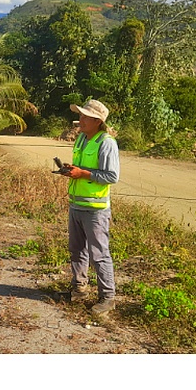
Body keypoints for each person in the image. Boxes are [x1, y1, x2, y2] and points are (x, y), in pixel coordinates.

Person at [60, 99, 120, 316]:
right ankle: (79, 289)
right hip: (76, 204)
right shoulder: (81, 139)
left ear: (97, 121)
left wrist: (82, 173)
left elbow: (112, 176)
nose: (81, 119)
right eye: (81, 115)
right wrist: (72, 170)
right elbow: (83, 168)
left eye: (86, 116)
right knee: (77, 250)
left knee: (99, 254)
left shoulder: (106, 142)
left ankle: (107, 298)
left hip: (95, 209)